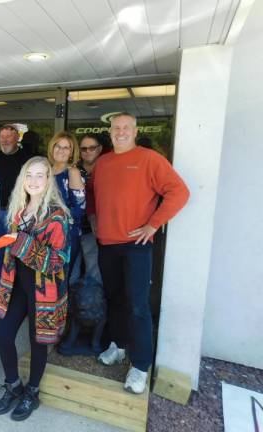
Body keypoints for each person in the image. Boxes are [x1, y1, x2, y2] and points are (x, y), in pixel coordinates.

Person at [89, 113, 189, 394]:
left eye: (126, 128)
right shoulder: (103, 163)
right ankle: (119, 346)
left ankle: (141, 366)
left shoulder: (149, 159)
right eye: (116, 128)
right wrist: (95, 220)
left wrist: (153, 224)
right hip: (107, 245)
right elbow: (93, 197)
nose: (120, 132)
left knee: (137, 306)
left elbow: (179, 192)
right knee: (115, 300)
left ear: (134, 131)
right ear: (110, 132)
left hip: (136, 246)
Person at [0, 156, 70, 421]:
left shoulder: (57, 217)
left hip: (44, 293)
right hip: (17, 288)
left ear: (49, 180)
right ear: (22, 180)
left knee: (38, 343)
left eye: (40, 175)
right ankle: (14, 386)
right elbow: (12, 251)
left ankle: (32, 393)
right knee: (2, 336)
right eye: (29, 175)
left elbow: (57, 261)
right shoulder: (18, 211)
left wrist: (21, 242)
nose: (34, 181)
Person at [0, 124, 31, 310]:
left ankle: (19, 297)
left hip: (19, 214)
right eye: (2, 137)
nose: (4, 140)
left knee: (20, 256)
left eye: (9, 137)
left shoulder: (26, 158)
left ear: (17, 138)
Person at [47, 131, 85, 280]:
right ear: (52, 147)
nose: (61, 150)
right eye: (58, 146)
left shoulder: (72, 172)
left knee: (60, 281)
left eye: (66, 147)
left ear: (71, 152)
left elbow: (79, 209)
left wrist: (54, 219)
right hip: (44, 234)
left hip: (65, 235)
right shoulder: (45, 171)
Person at [75, 134, 104, 284]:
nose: (87, 151)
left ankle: (93, 304)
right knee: (72, 270)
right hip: (74, 227)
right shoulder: (73, 170)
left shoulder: (107, 169)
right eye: (84, 148)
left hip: (96, 230)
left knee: (94, 269)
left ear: (99, 148)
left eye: (92, 148)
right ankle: (71, 304)